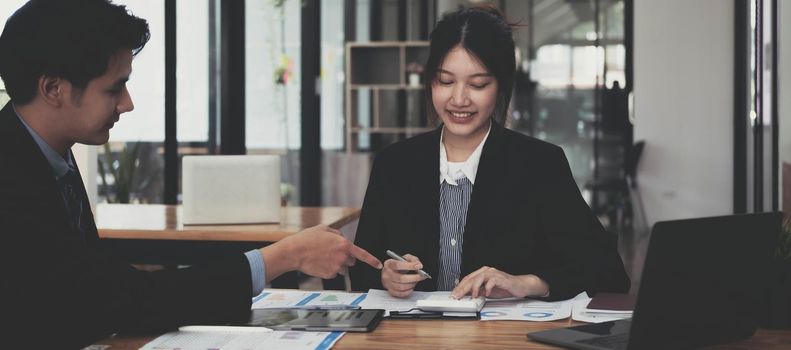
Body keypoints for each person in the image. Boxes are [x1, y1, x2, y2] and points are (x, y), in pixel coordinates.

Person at [0, 1, 382, 348]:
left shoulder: (52, 159)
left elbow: (101, 291)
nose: (127, 104)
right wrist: (281, 257)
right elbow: (109, 298)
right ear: (53, 89)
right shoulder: (11, 174)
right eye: (115, 88)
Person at [349, 6, 629, 301]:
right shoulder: (394, 164)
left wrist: (526, 283)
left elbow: (608, 271)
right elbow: (362, 267)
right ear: (431, 80)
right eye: (445, 81)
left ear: (501, 86)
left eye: (478, 84)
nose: (459, 99)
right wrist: (386, 275)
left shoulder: (540, 165)